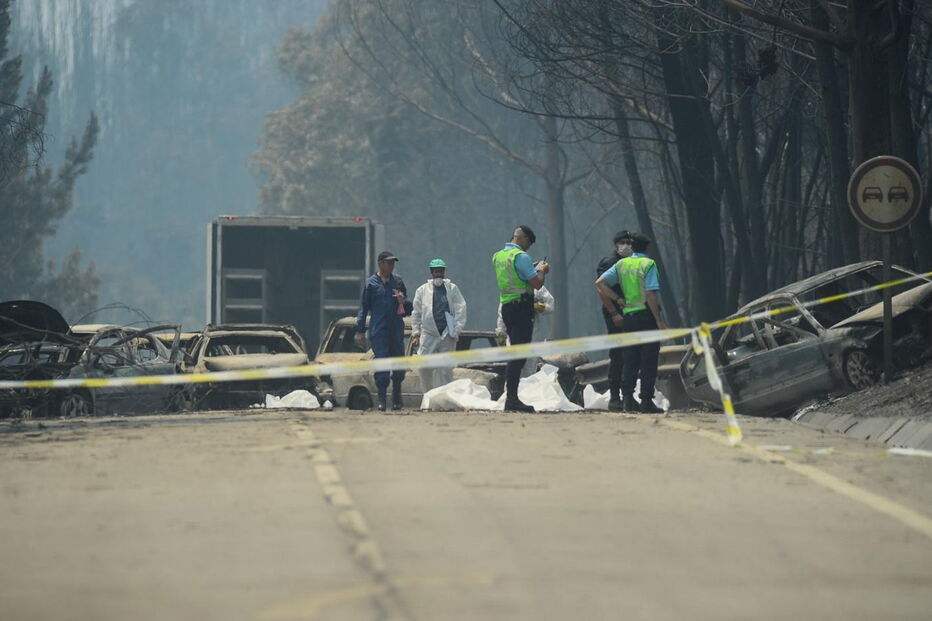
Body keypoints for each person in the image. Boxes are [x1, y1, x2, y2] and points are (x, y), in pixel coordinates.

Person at [595, 232, 667, 413]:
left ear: (632, 246)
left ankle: (627, 398)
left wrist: (618, 299)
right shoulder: (648, 264)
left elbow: (600, 283)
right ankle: (646, 400)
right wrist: (658, 320)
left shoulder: (622, 264)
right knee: (648, 360)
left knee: (630, 360)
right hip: (646, 316)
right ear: (647, 248)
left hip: (628, 318)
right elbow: (650, 294)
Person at [492, 225, 549, 412]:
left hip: (507, 307)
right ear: (524, 238)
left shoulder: (498, 256)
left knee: (516, 353)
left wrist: (530, 269)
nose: (528, 247)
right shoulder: (521, 256)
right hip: (521, 308)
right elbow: (537, 284)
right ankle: (512, 399)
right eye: (529, 243)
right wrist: (541, 270)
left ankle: (512, 398)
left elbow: (515, 275)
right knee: (518, 356)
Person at [355, 251, 412, 411]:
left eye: (393, 263)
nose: (391, 266)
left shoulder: (398, 282)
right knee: (382, 366)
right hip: (379, 331)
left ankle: (396, 397)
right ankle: (381, 399)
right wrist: (360, 331)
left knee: (399, 365)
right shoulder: (371, 284)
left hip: (396, 329)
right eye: (388, 263)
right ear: (380, 264)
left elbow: (408, 309)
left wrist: (403, 301)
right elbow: (364, 308)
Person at [411, 258, 467, 391]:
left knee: (445, 369)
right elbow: (416, 313)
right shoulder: (422, 290)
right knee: (424, 366)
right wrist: (416, 333)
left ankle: (443, 398)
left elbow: (461, 308)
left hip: (447, 333)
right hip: (428, 334)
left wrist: (457, 329)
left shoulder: (452, 289)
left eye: (441, 271)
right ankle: (428, 395)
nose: (439, 274)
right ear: (431, 272)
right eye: (436, 271)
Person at [596, 230, 635, 408]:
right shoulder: (609, 262)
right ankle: (614, 396)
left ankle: (628, 395)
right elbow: (601, 290)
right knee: (618, 354)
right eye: (623, 242)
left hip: (631, 311)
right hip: (616, 311)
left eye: (629, 242)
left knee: (631, 354)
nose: (626, 245)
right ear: (616, 244)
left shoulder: (631, 262)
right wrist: (614, 313)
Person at [496, 285, 554, 376]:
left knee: (529, 373)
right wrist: (501, 333)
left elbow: (550, 306)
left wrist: (540, 306)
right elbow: (502, 313)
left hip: (532, 338)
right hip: (514, 338)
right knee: (514, 370)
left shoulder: (537, 288)